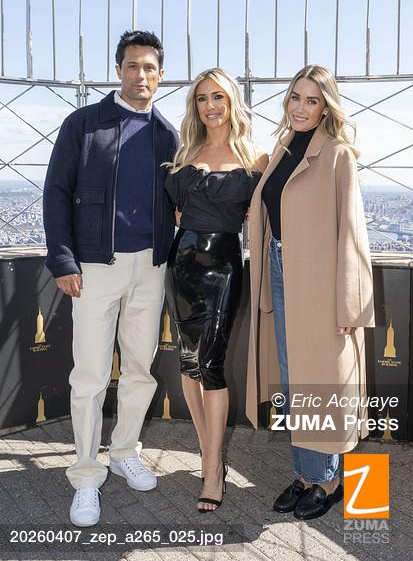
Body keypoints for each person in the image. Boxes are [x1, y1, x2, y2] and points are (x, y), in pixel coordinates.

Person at [43, 30, 178, 527]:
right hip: (95, 267)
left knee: (140, 369)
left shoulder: (168, 134)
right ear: (118, 70)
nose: (141, 75)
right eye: (132, 65)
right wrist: (64, 260)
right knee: (91, 375)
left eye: (149, 67)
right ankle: (85, 474)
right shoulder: (83, 124)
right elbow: (57, 192)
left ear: (161, 75)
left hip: (151, 267)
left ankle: (124, 451)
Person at [246, 65, 375, 520]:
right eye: (295, 97)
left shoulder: (338, 154)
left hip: (320, 281)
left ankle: (328, 480)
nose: (300, 107)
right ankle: (305, 474)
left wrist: (349, 304)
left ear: (326, 107)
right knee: (292, 377)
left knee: (319, 381)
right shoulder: (282, 147)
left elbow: (353, 234)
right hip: (280, 268)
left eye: (312, 100)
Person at [164, 68, 268, 512]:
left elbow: (269, 213)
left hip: (224, 267)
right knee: (189, 363)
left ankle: (211, 468)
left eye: (218, 97)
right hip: (182, 264)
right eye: (202, 98)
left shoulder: (255, 157)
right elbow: (174, 212)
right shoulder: (184, 152)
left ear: (232, 102)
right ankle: (210, 454)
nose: (210, 105)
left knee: (211, 364)